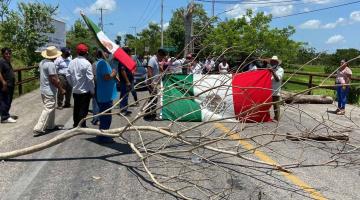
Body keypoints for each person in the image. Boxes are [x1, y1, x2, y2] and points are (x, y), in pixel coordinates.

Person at [33, 46, 65, 135]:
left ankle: (50, 125)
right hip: (49, 90)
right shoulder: (51, 64)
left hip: (43, 89)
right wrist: (61, 89)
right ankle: (38, 127)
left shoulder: (42, 62)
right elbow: (53, 79)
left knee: (51, 107)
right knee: (48, 107)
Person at [68, 43, 95, 128]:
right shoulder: (87, 63)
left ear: (77, 52)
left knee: (76, 108)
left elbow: (68, 75)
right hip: (85, 91)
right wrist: (92, 90)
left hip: (75, 90)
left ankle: (75, 124)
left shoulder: (71, 62)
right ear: (86, 53)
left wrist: (72, 84)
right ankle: (81, 126)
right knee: (83, 109)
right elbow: (90, 79)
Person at [95, 49, 117, 143]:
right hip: (105, 95)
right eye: (107, 52)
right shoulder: (102, 63)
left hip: (106, 94)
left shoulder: (104, 62)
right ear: (102, 53)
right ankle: (103, 137)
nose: (109, 54)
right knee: (106, 117)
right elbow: (106, 77)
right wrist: (113, 73)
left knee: (105, 116)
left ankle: (103, 135)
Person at [143, 49, 167, 121]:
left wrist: (165, 72)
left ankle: (148, 114)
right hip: (151, 83)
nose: (162, 59)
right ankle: (151, 115)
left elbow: (158, 68)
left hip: (154, 83)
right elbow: (149, 71)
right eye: (162, 57)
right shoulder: (152, 60)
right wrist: (151, 83)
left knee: (152, 99)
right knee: (154, 99)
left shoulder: (156, 60)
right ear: (159, 54)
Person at [0, 48, 16, 123]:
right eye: (6, 54)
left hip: (10, 84)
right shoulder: (1, 61)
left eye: (9, 53)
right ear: (3, 54)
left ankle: (3, 114)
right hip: (5, 85)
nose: (8, 55)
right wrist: (3, 82)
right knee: (5, 101)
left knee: (7, 100)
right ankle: (5, 117)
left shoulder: (7, 61)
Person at [118, 47, 134, 116]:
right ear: (126, 52)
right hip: (124, 81)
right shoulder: (122, 60)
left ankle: (125, 109)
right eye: (130, 52)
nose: (131, 53)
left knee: (126, 95)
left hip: (128, 80)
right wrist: (127, 81)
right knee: (124, 95)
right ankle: (123, 110)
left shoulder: (126, 59)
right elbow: (123, 71)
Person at [268, 56, 284, 121]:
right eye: (271, 62)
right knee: (266, 105)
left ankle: (277, 118)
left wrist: (272, 72)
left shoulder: (280, 69)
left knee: (276, 106)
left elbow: (277, 79)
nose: (272, 63)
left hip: (275, 91)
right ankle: (266, 117)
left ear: (277, 63)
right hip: (267, 90)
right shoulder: (268, 69)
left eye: (274, 62)